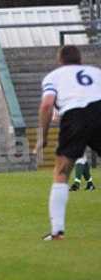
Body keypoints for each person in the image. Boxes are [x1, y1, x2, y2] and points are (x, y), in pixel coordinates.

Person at [34, 45, 101, 240]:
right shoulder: (96, 72)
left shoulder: (53, 76)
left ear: (60, 60)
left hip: (75, 115)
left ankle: (57, 231)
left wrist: (43, 136)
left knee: (62, 172)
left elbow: (47, 105)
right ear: (80, 59)